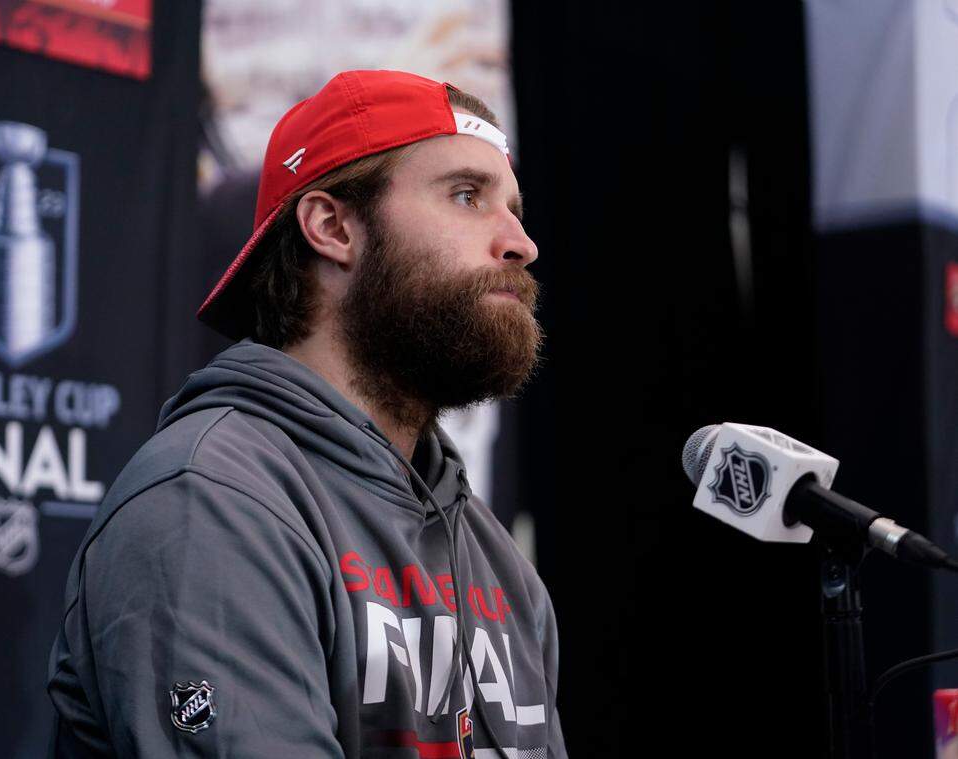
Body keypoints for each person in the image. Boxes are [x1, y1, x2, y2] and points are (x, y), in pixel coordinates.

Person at [47, 69, 568, 758]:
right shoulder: (211, 503)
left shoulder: (491, 554)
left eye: (516, 208)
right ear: (333, 227)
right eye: (468, 196)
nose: (520, 243)